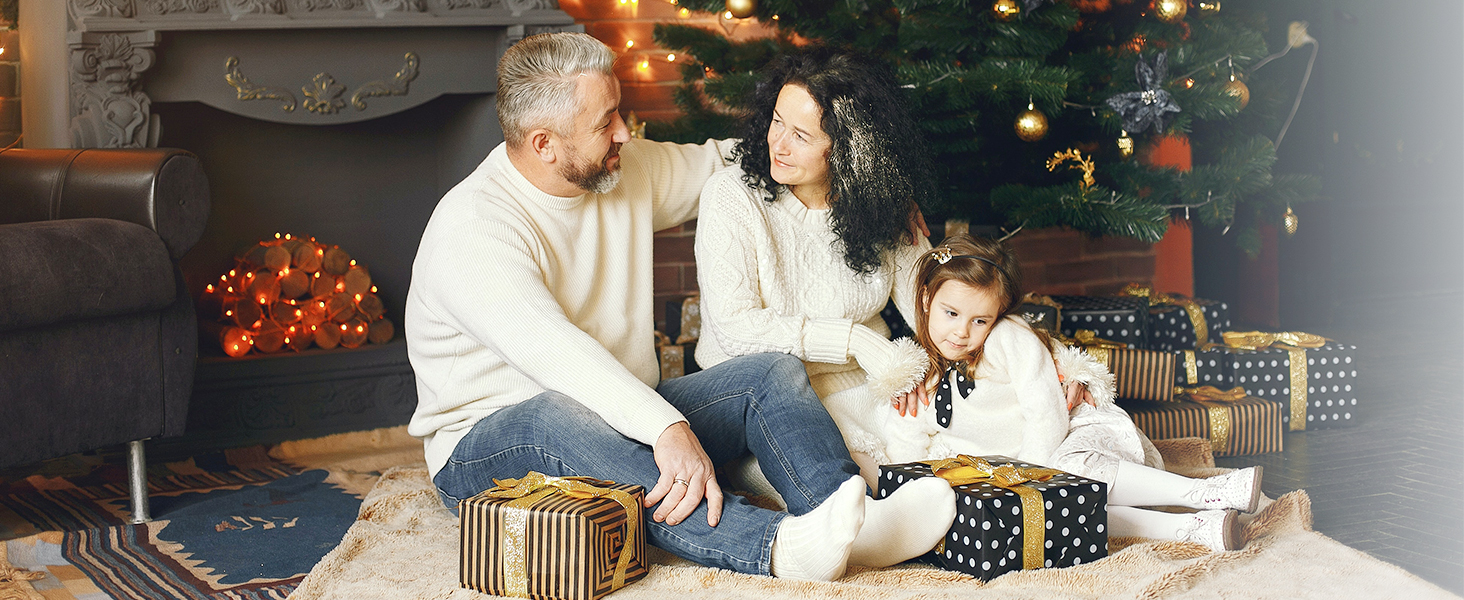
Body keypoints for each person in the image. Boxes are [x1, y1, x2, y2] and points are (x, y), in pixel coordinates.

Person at [405, 31, 949, 582]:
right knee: (554, 413)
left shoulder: (620, 169)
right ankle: (776, 547)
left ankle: (851, 516)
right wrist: (666, 429)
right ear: (544, 143)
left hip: (626, 412)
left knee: (770, 373)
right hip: (488, 444)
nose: (624, 131)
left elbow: (746, 159)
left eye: (619, 112)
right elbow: (563, 362)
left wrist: (872, 180)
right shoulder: (474, 229)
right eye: (605, 123)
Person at [693, 47, 965, 568]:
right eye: (776, 121)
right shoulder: (732, 197)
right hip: (771, 403)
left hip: (869, 384)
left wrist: (1043, 356)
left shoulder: (878, 203)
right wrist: (858, 341)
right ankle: (869, 535)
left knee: (953, 450)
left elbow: (937, 302)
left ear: (846, 150)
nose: (778, 143)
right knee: (864, 477)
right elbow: (737, 331)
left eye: (802, 135)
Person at [904, 233, 1266, 552]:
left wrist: (1029, 481)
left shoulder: (1004, 340)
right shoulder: (920, 377)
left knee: (1065, 477)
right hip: (1042, 471)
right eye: (950, 313)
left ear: (997, 315)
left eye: (979, 320)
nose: (962, 332)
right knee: (1066, 513)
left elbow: (1046, 414)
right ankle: (1194, 529)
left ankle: (1204, 492)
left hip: (1079, 436)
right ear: (925, 300)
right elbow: (905, 443)